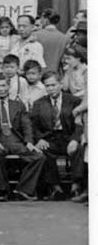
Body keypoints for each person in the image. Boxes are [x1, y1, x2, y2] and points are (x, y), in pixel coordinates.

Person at [0, 74, 46, 201]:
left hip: (16, 141)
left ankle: (22, 189)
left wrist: (29, 142)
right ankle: (3, 191)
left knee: (38, 156)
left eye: (4, 85)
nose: (1, 89)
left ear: (9, 87)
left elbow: (27, 125)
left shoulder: (18, 105)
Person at [31, 71, 85, 201]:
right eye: (47, 86)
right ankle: (55, 188)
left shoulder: (73, 100)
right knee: (43, 151)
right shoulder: (39, 103)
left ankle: (76, 185)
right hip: (50, 138)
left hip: (68, 136)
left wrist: (74, 139)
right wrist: (40, 139)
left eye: (53, 85)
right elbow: (34, 125)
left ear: (60, 84)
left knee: (79, 149)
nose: (50, 88)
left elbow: (80, 124)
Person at [36, 9, 69, 74]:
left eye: (42, 18)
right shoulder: (65, 38)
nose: (40, 21)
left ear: (46, 20)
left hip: (38, 73)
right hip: (56, 74)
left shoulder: (36, 35)